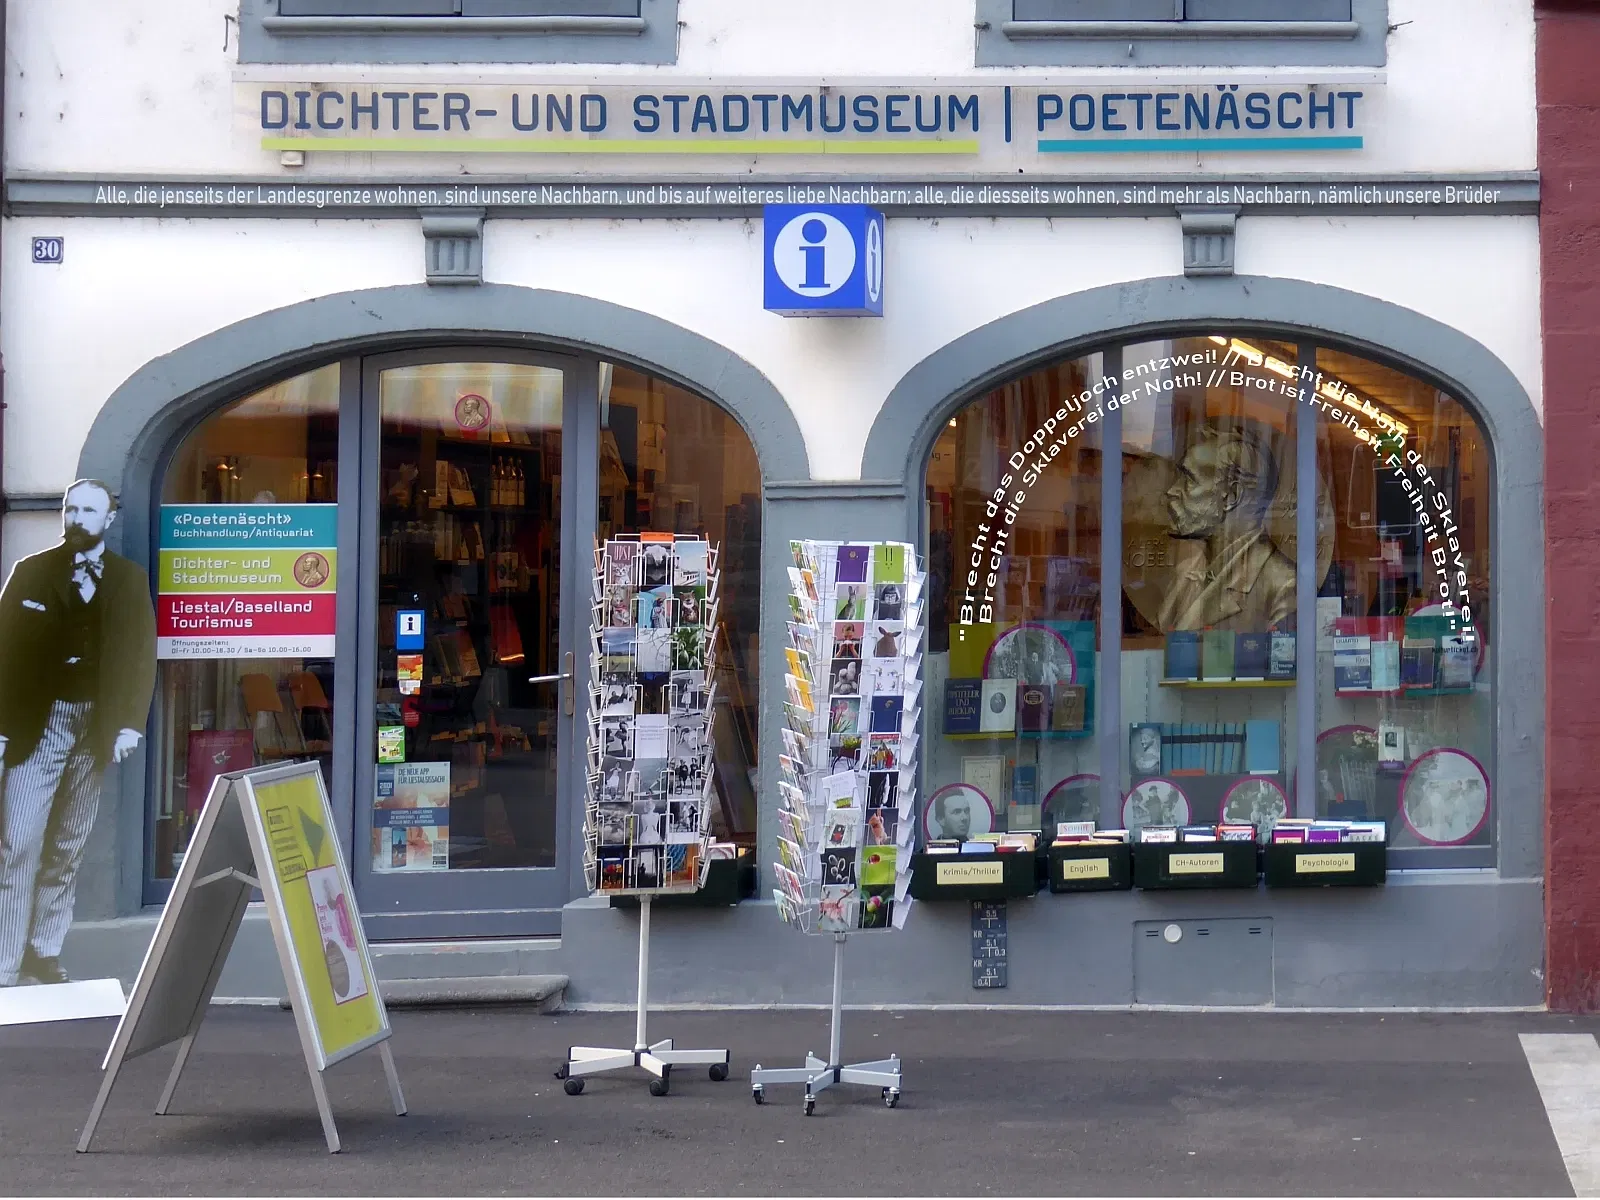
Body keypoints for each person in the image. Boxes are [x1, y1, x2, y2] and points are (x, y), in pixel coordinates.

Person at [0, 481, 156, 986]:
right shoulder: (31, 573)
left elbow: (139, 655)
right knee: (18, 840)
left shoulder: (129, 581)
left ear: (109, 518)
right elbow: (4, 655)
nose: (77, 517)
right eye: (71, 508)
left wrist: (130, 723)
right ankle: (4, 959)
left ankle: (43, 951)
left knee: (69, 843)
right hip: (38, 723)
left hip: (97, 725)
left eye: (89, 510)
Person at [1158, 423, 1296, 634]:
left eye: (1188, 480)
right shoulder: (1185, 572)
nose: (1171, 491)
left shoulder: (1283, 584)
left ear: (1231, 495)